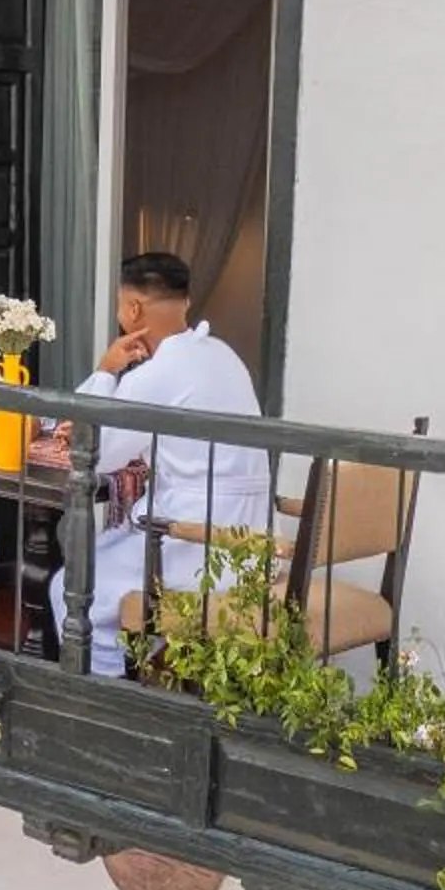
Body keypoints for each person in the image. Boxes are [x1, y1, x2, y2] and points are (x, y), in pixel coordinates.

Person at [58, 252, 273, 677]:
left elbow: (94, 451)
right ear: (186, 302)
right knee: (104, 565)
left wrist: (106, 371)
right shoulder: (223, 354)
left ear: (133, 309)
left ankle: (108, 697)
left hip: (194, 546)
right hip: (249, 545)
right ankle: (148, 679)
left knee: (69, 588)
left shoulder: (159, 372)